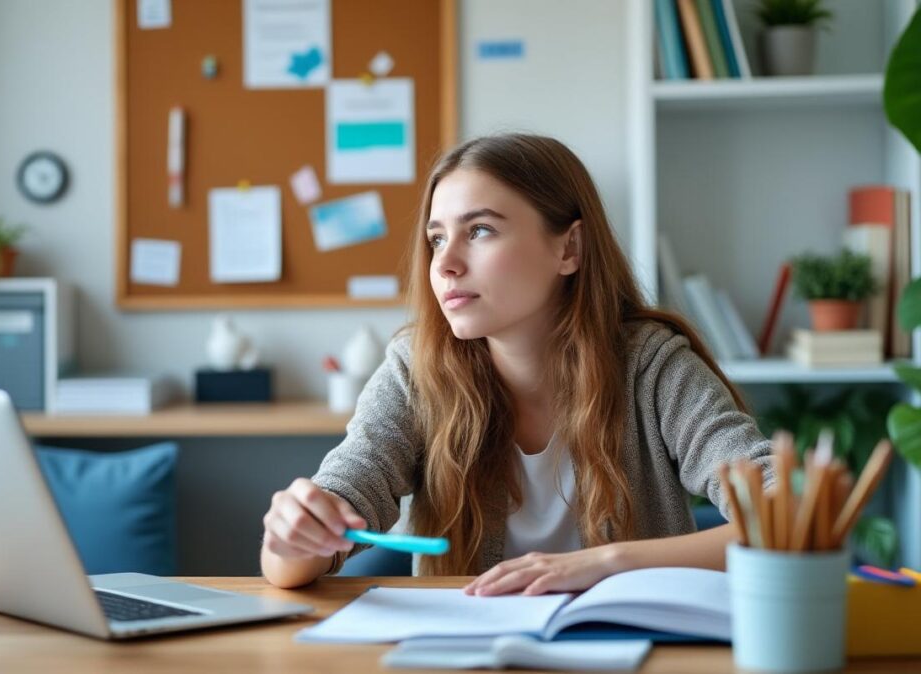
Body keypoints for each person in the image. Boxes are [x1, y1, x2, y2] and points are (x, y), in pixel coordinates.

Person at [261, 133, 772, 593]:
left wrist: (608, 564)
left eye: (479, 231)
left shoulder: (652, 368)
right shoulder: (415, 371)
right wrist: (296, 534)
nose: (444, 264)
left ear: (568, 248)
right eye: (436, 238)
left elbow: (780, 517)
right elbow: (290, 564)